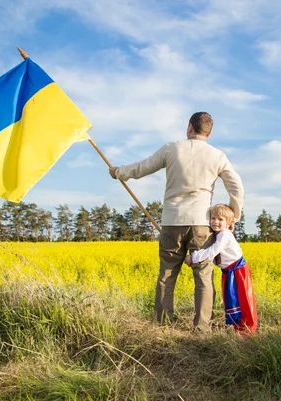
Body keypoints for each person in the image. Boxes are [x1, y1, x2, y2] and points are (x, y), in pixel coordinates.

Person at [109, 112, 244, 333]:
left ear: (189, 127)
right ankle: (201, 329)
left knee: (167, 275)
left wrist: (118, 172)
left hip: (172, 221)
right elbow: (236, 186)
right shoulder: (217, 155)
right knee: (203, 277)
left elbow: (142, 167)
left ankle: (163, 326)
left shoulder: (171, 148)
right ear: (209, 133)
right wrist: (233, 217)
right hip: (202, 223)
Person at [185, 204, 258, 335]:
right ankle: (238, 328)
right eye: (213, 218)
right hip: (229, 272)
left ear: (229, 223)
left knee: (243, 300)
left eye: (220, 219)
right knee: (232, 300)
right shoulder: (218, 234)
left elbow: (213, 251)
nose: (215, 222)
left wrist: (193, 257)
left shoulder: (225, 235)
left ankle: (248, 330)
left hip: (238, 271)